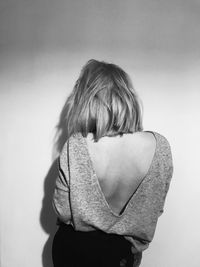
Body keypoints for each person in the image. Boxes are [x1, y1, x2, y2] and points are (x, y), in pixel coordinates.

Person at [52, 59, 173, 267]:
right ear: (127, 97)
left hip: (74, 253)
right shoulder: (159, 146)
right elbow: (155, 209)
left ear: (87, 100)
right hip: (122, 257)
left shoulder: (77, 145)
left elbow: (61, 210)